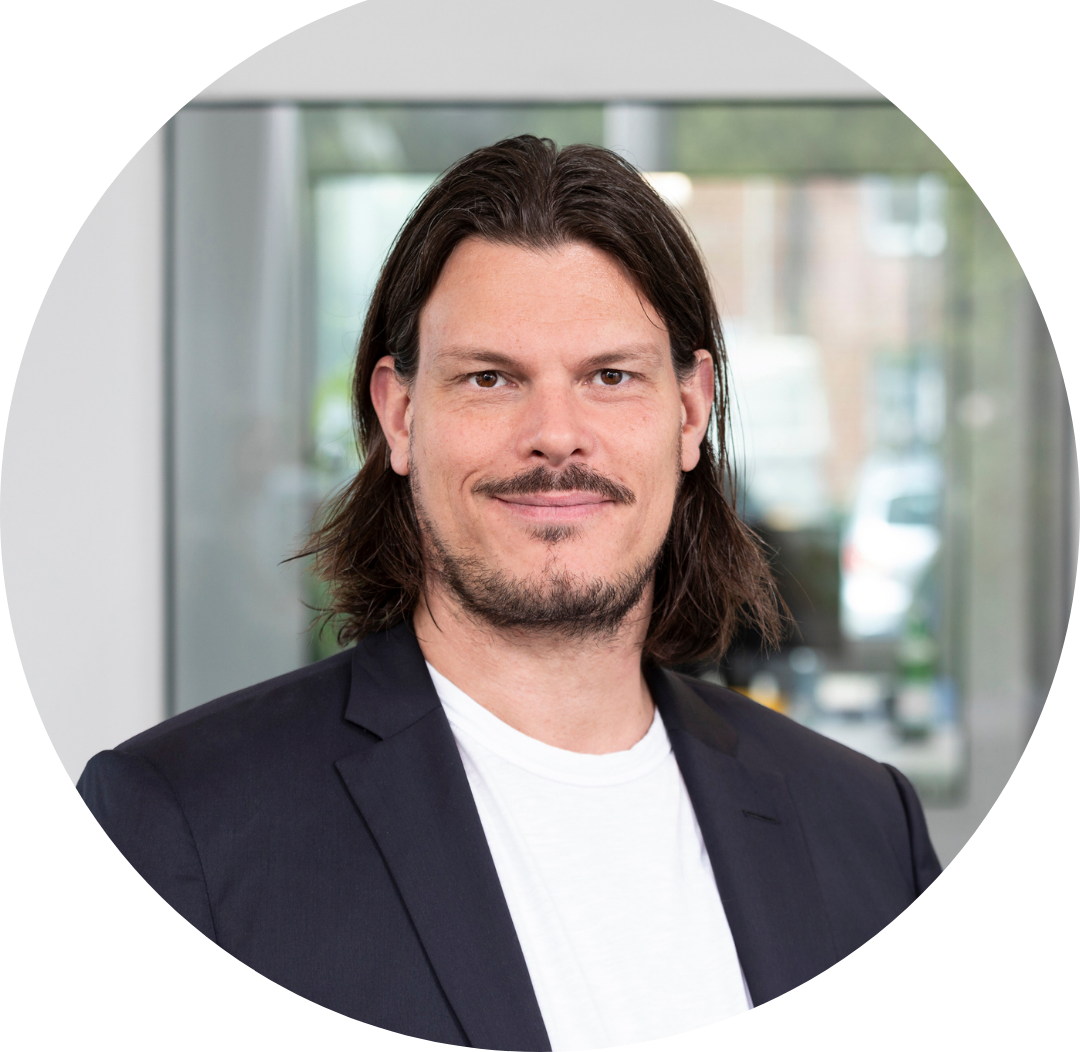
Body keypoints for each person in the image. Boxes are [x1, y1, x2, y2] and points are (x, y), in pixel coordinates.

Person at [77, 136, 941, 1049]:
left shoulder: (864, 823)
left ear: (690, 413)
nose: (556, 435)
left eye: (611, 376)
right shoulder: (183, 824)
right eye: (490, 378)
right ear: (400, 415)